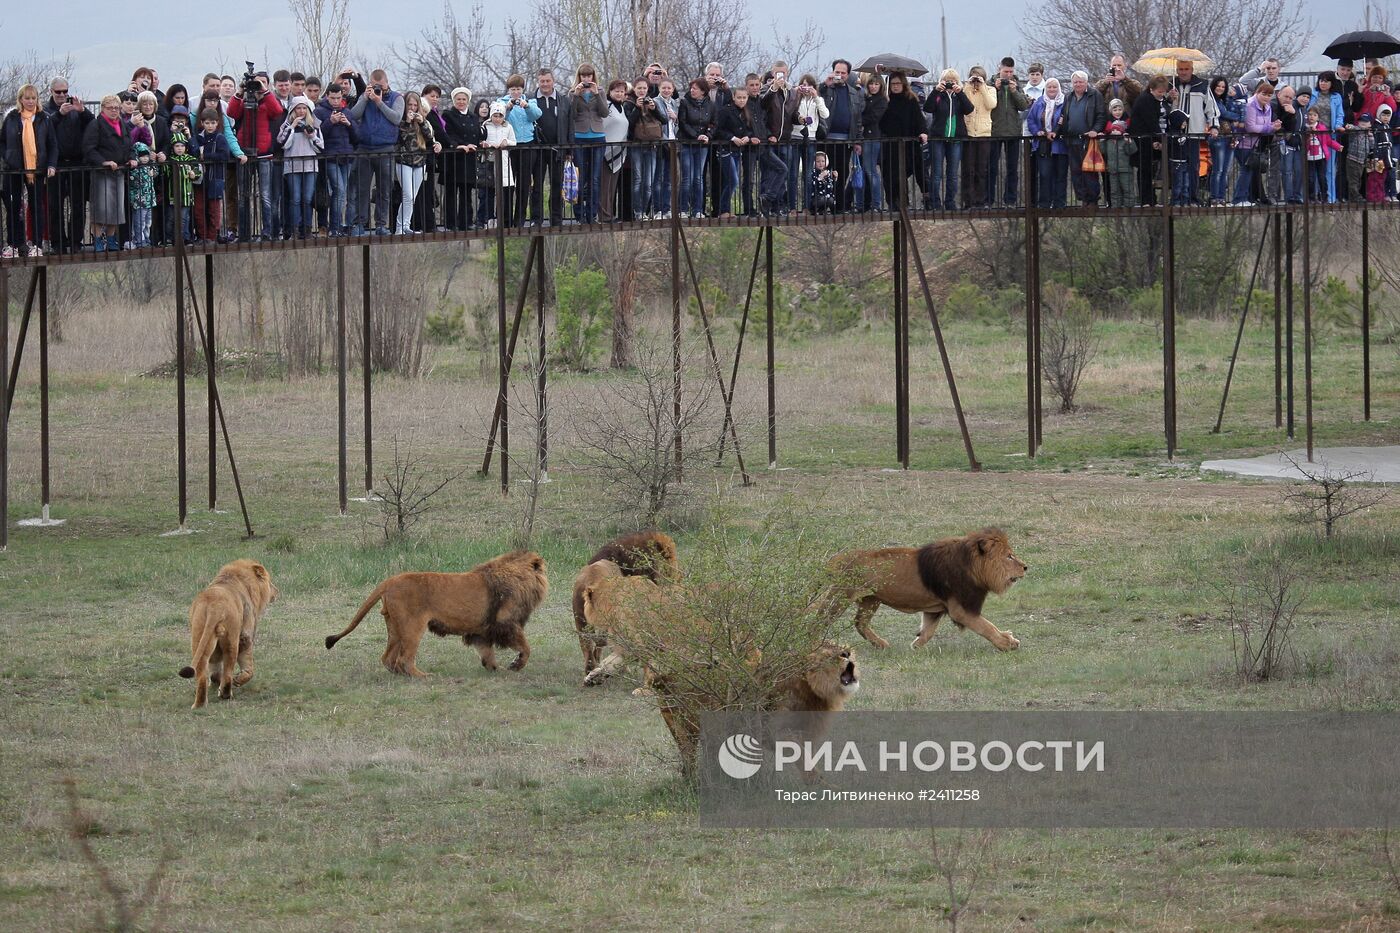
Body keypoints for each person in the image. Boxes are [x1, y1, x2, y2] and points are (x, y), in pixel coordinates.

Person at [227, 71, 284, 241]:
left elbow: (278, 111)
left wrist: (265, 91)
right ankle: (244, 232)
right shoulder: (243, 103)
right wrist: (240, 92)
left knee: (265, 195)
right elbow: (231, 113)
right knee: (243, 195)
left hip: (264, 154)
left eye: (261, 84)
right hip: (245, 154)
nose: (257, 88)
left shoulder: (267, 104)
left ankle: (267, 231)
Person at [2, 84, 57, 257]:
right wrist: (8, 157)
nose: (31, 101)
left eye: (33, 98)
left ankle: (37, 244)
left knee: (36, 207)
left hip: (36, 170)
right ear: (20, 100)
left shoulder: (44, 119)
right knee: (14, 206)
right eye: (27, 98)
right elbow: (2, 141)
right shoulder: (11, 118)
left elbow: (52, 145)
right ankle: (14, 244)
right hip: (14, 170)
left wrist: (51, 165)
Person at [349, 69, 403, 236]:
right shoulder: (365, 96)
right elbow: (354, 115)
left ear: (387, 83)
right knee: (361, 189)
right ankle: (359, 224)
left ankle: (381, 224)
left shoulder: (397, 98)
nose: (377, 88)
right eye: (373, 85)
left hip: (385, 149)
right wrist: (365, 98)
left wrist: (380, 102)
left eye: (380, 85)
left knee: (384, 190)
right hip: (364, 149)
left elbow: (396, 118)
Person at [43, 77, 93, 253]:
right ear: (51, 91)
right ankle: (57, 242)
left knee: (78, 205)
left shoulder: (75, 108)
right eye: (59, 92)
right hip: (54, 165)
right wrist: (59, 115)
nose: (63, 95)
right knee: (55, 206)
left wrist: (83, 111)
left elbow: (93, 125)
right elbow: (44, 128)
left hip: (77, 163)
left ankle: (75, 240)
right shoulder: (45, 110)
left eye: (65, 91)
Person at [84, 94, 136, 251]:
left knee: (116, 208)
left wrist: (132, 158)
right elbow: (88, 148)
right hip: (102, 173)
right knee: (100, 208)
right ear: (103, 109)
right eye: (110, 108)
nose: (114, 111)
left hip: (119, 172)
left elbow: (129, 145)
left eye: (116, 108)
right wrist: (103, 162)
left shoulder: (122, 124)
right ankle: (98, 239)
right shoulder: (96, 125)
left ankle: (112, 239)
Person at [1168, 59, 1219, 205]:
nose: (1183, 72)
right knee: (1176, 168)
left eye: (1186, 69)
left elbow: (1211, 108)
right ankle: (1177, 199)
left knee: (1193, 166)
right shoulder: (1171, 85)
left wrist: (1214, 126)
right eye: (1180, 69)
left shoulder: (1202, 85)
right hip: (1176, 133)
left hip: (1194, 132)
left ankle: (1192, 197)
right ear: (1177, 70)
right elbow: (1164, 107)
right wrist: (1170, 98)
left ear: (1192, 69)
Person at [923, 69, 972, 211]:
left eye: (953, 81)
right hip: (938, 138)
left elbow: (969, 109)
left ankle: (950, 202)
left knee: (952, 173)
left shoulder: (959, 97)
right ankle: (935, 202)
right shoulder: (939, 95)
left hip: (955, 139)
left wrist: (960, 92)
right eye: (947, 81)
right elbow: (928, 108)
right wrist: (935, 91)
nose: (950, 84)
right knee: (937, 172)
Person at [819, 59, 864, 211]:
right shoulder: (826, 89)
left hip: (845, 141)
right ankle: (822, 204)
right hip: (826, 140)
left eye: (842, 73)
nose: (839, 75)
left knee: (842, 173)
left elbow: (858, 119)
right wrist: (826, 84)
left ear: (848, 74)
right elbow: (816, 97)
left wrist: (858, 141)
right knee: (824, 174)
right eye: (837, 72)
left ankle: (837, 206)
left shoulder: (854, 93)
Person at [878, 71, 927, 210]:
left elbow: (919, 119)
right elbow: (880, 122)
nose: (895, 86)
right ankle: (893, 202)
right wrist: (885, 103)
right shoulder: (886, 100)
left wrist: (923, 132)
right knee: (890, 174)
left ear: (903, 84)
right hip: (890, 143)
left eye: (898, 83)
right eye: (893, 84)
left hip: (908, 143)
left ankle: (910, 200)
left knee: (910, 171)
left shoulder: (911, 99)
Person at [275, 97, 322, 239]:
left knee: (307, 199)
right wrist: (292, 127)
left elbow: (320, 147)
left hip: (310, 166)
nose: (301, 111)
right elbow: (283, 144)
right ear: (293, 110)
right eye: (298, 108)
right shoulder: (286, 126)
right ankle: (295, 229)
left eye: (304, 108)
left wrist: (312, 136)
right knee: (295, 199)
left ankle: (307, 229)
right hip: (292, 167)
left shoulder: (315, 124)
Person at [315, 83, 358, 236]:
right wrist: (330, 122)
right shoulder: (319, 112)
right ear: (327, 96)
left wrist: (349, 124)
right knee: (339, 190)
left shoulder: (348, 112)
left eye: (338, 98)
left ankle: (336, 226)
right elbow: (317, 136)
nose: (335, 101)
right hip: (330, 157)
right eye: (333, 98)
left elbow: (356, 137)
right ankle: (334, 227)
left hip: (347, 156)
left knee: (341, 192)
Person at [392, 91, 439, 234]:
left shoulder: (422, 121)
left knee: (412, 196)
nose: (412, 108)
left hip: (420, 161)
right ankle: (399, 227)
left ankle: (405, 225)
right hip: (403, 161)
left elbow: (430, 138)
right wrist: (407, 121)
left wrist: (422, 122)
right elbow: (401, 138)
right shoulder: (400, 120)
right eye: (409, 105)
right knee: (408, 194)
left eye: (415, 105)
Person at [498, 75, 541, 226]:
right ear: (508, 90)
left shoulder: (530, 101)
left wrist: (526, 106)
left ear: (522, 89)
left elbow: (536, 115)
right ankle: (506, 219)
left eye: (518, 89)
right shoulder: (502, 102)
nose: (516, 92)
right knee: (508, 184)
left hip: (527, 146)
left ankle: (520, 219)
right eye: (513, 89)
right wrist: (508, 107)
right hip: (510, 147)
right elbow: (499, 118)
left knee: (524, 185)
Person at [569, 64, 608, 224]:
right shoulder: (572, 92)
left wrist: (597, 95)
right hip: (580, 136)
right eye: (583, 76)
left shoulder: (600, 91)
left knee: (595, 178)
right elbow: (571, 114)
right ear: (579, 77)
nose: (586, 79)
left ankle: (591, 214)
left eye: (589, 76)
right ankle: (579, 215)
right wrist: (577, 96)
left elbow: (604, 112)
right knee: (580, 177)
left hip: (597, 136)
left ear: (593, 77)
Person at [988, 57, 1030, 206]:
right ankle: (989, 200)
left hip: (1013, 132)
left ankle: (1010, 200)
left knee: (1012, 169)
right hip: (994, 132)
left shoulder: (1016, 85)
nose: (1008, 75)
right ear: (1000, 69)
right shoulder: (990, 84)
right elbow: (988, 104)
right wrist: (996, 89)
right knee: (991, 168)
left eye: (1011, 72)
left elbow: (1024, 106)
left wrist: (1014, 91)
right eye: (1006, 71)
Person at [533, 69, 572, 226]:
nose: (545, 84)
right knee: (537, 186)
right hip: (537, 150)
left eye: (547, 81)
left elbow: (570, 125)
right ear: (538, 82)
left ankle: (556, 218)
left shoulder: (563, 100)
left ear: (553, 81)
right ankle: (537, 219)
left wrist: (569, 149)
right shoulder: (531, 100)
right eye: (542, 81)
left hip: (558, 150)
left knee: (557, 184)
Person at [1231, 81, 1279, 206]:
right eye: (1264, 94)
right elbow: (1251, 127)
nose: (1266, 97)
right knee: (1246, 170)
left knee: (1249, 171)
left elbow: (1265, 126)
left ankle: (1244, 198)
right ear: (1257, 93)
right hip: (1243, 142)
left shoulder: (1268, 107)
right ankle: (1239, 199)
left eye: (1269, 95)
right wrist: (1270, 128)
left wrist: (1272, 126)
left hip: (1255, 144)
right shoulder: (1250, 105)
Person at [713, 83, 757, 217]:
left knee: (730, 181)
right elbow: (718, 130)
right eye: (739, 97)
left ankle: (725, 210)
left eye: (744, 98)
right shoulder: (725, 111)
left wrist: (747, 137)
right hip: (725, 149)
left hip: (738, 150)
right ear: (733, 97)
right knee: (733, 180)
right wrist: (732, 137)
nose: (742, 100)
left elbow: (750, 130)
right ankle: (722, 210)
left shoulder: (746, 112)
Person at [1063, 71, 1107, 206]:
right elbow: (1064, 116)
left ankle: (1093, 199)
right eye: (1075, 82)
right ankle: (1083, 199)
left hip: (1088, 140)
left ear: (1086, 82)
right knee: (1076, 171)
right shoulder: (1068, 97)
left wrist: (1095, 130)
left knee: (1089, 171)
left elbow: (1101, 115)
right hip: (1072, 139)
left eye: (1081, 81)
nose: (1078, 84)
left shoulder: (1095, 95)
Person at [760, 63, 797, 214]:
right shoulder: (766, 88)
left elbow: (790, 114)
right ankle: (766, 204)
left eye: (783, 73)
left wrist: (799, 118)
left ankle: (778, 205)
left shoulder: (791, 92)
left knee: (783, 175)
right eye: (777, 73)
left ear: (787, 73)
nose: (780, 76)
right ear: (773, 73)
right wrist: (774, 88)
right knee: (769, 173)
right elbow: (763, 105)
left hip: (785, 138)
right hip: (770, 139)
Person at [1026, 77, 1068, 208]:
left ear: (1059, 88)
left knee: (1060, 174)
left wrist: (1057, 132)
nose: (1052, 89)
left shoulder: (1065, 103)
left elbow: (1067, 120)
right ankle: (1044, 203)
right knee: (1044, 174)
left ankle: (1059, 203)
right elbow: (1031, 120)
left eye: (1055, 87)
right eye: (1049, 87)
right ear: (1046, 88)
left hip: (1060, 144)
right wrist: (1037, 132)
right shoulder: (1039, 103)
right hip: (1043, 144)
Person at [787, 75, 828, 211]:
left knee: (808, 174)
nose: (806, 88)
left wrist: (816, 97)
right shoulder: (795, 98)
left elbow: (825, 114)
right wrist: (796, 93)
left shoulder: (818, 100)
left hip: (810, 138)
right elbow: (790, 112)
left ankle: (806, 207)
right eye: (803, 85)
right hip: (795, 137)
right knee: (792, 174)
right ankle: (792, 207)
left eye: (808, 85)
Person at [1129, 76, 1171, 206]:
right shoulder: (1145, 100)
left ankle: (1152, 198)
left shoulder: (1157, 99)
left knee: (1151, 170)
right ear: (1151, 89)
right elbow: (1151, 122)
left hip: (1151, 138)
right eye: (1159, 91)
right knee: (1144, 169)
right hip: (1142, 139)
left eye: (1164, 91)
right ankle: (1145, 199)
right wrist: (1160, 138)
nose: (1162, 94)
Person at [441, 88, 478, 231]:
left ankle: (466, 222)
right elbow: (448, 134)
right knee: (451, 193)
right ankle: (450, 223)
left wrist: (480, 142)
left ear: (468, 100)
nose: (461, 102)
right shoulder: (448, 115)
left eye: (463, 99)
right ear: (453, 100)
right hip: (454, 159)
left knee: (466, 193)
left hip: (468, 159)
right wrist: (459, 145)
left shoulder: (473, 117)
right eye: (458, 99)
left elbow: (475, 134)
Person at [960, 65, 997, 209]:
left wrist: (982, 87)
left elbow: (991, 105)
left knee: (982, 169)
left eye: (978, 77)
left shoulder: (990, 90)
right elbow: (962, 103)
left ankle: (980, 201)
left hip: (983, 133)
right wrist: (969, 86)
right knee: (968, 169)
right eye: (974, 77)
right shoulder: (966, 89)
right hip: (968, 133)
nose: (976, 80)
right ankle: (967, 201)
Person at [678, 77, 715, 218]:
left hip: (702, 146)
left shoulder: (710, 105)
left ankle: (698, 209)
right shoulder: (685, 102)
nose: (692, 91)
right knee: (687, 177)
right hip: (687, 143)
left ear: (703, 91)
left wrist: (708, 135)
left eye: (695, 89)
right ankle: (683, 209)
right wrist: (695, 136)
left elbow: (713, 123)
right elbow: (683, 122)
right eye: (691, 88)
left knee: (698, 178)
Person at [193, 108, 232, 242]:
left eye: (213, 123)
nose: (210, 126)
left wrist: (206, 156)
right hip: (200, 178)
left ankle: (212, 237)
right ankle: (202, 236)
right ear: (202, 123)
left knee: (214, 209)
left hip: (215, 177)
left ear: (217, 123)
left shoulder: (220, 138)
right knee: (199, 209)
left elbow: (225, 155)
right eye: (207, 123)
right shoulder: (199, 137)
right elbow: (194, 153)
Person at [628, 76, 664, 219]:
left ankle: (644, 211)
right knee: (638, 180)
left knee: (648, 182)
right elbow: (629, 124)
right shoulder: (629, 103)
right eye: (639, 88)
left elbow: (664, 120)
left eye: (644, 88)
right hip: (636, 145)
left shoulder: (653, 101)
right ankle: (638, 212)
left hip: (652, 146)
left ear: (648, 89)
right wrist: (637, 108)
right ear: (634, 89)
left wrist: (654, 109)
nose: (642, 91)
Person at [1207, 76, 1243, 206]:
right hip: (1218, 137)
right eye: (1218, 86)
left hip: (1229, 137)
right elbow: (1223, 114)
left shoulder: (1224, 100)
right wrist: (1238, 117)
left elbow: (1234, 109)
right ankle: (1214, 197)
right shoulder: (1212, 100)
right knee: (1218, 169)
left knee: (1225, 170)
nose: (1220, 88)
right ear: (1213, 86)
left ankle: (1221, 197)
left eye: (1223, 87)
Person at [599, 79, 631, 222]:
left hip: (618, 150)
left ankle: (609, 214)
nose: (619, 94)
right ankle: (603, 215)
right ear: (610, 91)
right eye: (616, 91)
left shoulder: (622, 107)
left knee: (612, 186)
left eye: (622, 91)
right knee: (604, 186)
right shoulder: (607, 105)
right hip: (605, 150)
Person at [481, 101, 516, 227]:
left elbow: (514, 141)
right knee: (489, 191)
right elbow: (481, 140)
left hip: (504, 161)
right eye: (495, 116)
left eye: (500, 116)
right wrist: (488, 145)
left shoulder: (508, 127)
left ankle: (505, 220)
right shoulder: (485, 126)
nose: (497, 118)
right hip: (489, 161)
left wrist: (506, 142)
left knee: (506, 191)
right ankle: (489, 219)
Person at [1311, 71, 1344, 203]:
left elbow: (1340, 114)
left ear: (1332, 83)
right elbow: (1308, 111)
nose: (1323, 83)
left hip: (1329, 136)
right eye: (1321, 80)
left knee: (1329, 169)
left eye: (1326, 81)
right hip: (1313, 136)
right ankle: (1314, 196)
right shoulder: (1313, 95)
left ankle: (1330, 198)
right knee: (1314, 168)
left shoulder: (1336, 97)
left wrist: (1337, 125)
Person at [857, 74, 886, 212]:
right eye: (871, 84)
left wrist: (860, 121)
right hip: (863, 138)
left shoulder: (882, 101)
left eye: (876, 84)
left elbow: (874, 117)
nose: (873, 87)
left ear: (881, 86)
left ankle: (876, 204)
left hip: (873, 137)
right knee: (861, 171)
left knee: (871, 170)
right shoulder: (866, 98)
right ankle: (861, 204)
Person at [166, 134, 202, 241]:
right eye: (177, 146)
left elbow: (198, 171)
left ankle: (184, 238)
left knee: (184, 218)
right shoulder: (170, 159)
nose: (179, 148)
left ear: (186, 147)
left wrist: (194, 174)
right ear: (173, 147)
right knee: (171, 218)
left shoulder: (190, 159)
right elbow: (165, 173)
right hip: (173, 195)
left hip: (187, 195)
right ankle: (169, 238)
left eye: (182, 146)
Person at [1272, 84, 1304, 204]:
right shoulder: (1273, 104)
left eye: (1291, 98)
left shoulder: (1291, 108)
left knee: (1298, 170)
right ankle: (1286, 197)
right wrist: (1288, 114)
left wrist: (1291, 114)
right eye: (1286, 96)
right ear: (1279, 94)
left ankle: (1296, 196)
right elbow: (1278, 124)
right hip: (1275, 141)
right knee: (1285, 171)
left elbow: (1290, 127)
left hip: (1291, 141)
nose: (1288, 100)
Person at [1102, 99, 1137, 208]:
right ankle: (1115, 207)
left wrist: (1128, 142)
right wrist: (1102, 141)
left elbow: (1132, 150)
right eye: (1115, 109)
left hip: (1125, 168)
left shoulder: (1126, 136)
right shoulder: (1108, 140)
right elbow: (1103, 151)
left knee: (1128, 189)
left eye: (1120, 109)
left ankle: (1129, 206)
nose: (1117, 111)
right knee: (1114, 190)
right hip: (1112, 169)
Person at [1305, 105, 1342, 202]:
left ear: (1318, 117)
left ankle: (1324, 196)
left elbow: (1328, 141)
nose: (1312, 117)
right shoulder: (1305, 128)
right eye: (1310, 115)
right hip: (1309, 157)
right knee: (1311, 178)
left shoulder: (1322, 128)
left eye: (1314, 115)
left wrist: (1338, 146)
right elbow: (1304, 142)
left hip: (1321, 157)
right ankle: (1312, 197)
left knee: (1322, 177)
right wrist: (1309, 134)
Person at [654, 78, 680, 217]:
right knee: (658, 177)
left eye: (669, 88)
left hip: (672, 141)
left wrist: (675, 117)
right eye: (664, 88)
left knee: (669, 179)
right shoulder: (656, 101)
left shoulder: (674, 103)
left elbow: (676, 124)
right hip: (661, 142)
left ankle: (667, 208)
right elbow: (657, 120)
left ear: (673, 89)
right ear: (659, 88)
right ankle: (657, 209)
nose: (666, 90)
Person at [127, 142, 157, 248]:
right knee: (140, 222)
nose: (145, 159)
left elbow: (156, 172)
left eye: (146, 156)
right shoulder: (134, 170)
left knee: (148, 222)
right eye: (142, 156)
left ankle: (146, 238)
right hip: (139, 200)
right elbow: (134, 181)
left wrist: (153, 167)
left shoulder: (150, 166)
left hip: (149, 199)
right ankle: (139, 240)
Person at [471, 99, 496, 227]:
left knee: (491, 192)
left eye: (487, 106)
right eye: (482, 106)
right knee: (482, 193)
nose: (485, 109)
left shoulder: (493, 123)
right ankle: (481, 219)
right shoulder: (474, 122)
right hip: (479, 161)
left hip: (492, 160)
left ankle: (490, 218)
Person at [1345, 111, 1375, 202]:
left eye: (1366, 121)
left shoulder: (1368, 134)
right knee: (1353, 180)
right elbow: (1352, 128)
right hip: (1353, 159)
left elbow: (1372, 146)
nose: (1363, 122)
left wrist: (1370, 136)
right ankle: (1356, 197)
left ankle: (1353, 197)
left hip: (1362, 161)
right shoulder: (1357, 130)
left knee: (1358, 180)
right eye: (1361, 120)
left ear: (1370, 124)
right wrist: (1349, 126)